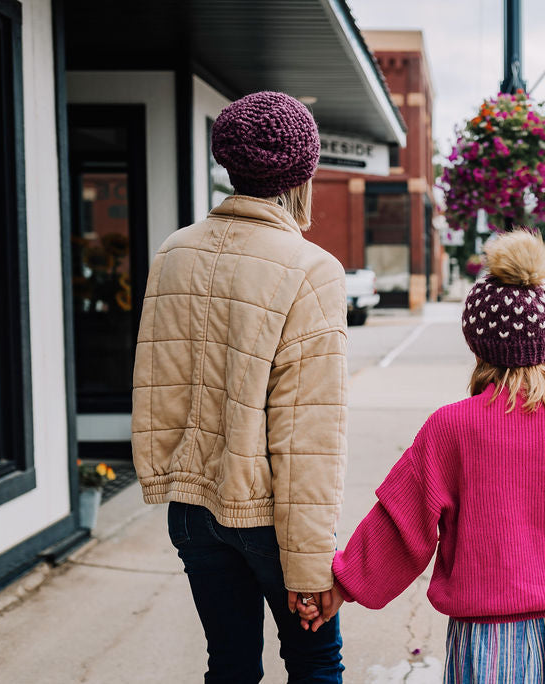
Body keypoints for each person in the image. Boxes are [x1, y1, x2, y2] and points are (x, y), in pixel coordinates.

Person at [300, 231, 545, 683]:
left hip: (483, 642)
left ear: (476, 342)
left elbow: (401, 523)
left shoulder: (451, 428)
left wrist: (342, 584)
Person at [132, 91, 347, 683]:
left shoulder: (174, 253)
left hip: (191, 505)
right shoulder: (312, 269)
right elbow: (308, 434)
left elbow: (159, 384)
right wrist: (309, 567)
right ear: (304, 171)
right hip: (270, 520)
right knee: (314, 663)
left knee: (228, 665)